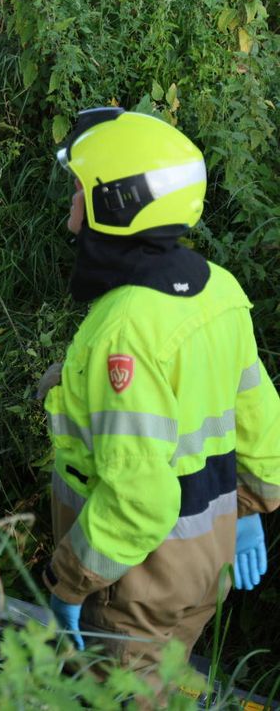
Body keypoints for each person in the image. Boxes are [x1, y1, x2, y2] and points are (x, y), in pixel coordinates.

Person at [39, 107, 280, 688]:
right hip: (207, 561)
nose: (72, 206)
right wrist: (246, 514)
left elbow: (139, 500)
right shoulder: (221, 290)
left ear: (116, 203)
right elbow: (264, 429)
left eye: (80, 190)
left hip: (134, 583)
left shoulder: (123, 328)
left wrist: (69, 581)